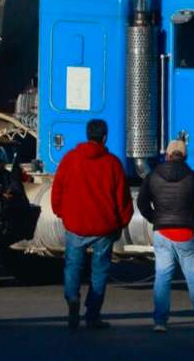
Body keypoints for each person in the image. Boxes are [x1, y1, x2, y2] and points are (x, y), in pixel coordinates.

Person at [51, 118, 133, 330]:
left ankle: (72, 298)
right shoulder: (113, 163)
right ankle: (93, 314)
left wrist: (60, 211)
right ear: (104, 137)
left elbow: (58, 188)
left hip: (75, 223)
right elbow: (122, 197)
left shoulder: (70, 159)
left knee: (73, 266)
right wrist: (122, 222)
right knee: (100, 272)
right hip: (103, 227)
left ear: (87, 135)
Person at [137, 139, 194, 332]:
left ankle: (160, 322)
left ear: (168, 156)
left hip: (162, 233)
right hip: (186, 232)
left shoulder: (153, 176)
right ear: (185, 156)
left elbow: (142, 202)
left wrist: (155, 218)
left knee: (162, 277)